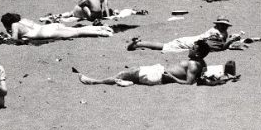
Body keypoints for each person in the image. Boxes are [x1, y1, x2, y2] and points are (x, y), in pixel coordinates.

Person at [76, 39, 237, 86]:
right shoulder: (201, 63)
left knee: (124, 73)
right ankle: (125, 82)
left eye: (193, 48)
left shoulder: (194, 64)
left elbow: (188, 83)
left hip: (159, 76)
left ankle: (94, 81)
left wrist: (171, 77)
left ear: (198, 52)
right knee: (131, 72)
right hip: (158, 72)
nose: (190, 49)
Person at [128, 17, 247, 53]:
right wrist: (231, 41)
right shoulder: (215, 33)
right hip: (189, 43)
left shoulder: (220, 31)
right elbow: (221, 47)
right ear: (218, 24)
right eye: (223, 24)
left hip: (191, 41)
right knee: (164, 46)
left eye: (226, 25)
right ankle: (139, 44)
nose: (225, 26)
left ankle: (139, 43)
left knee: (165, 45)